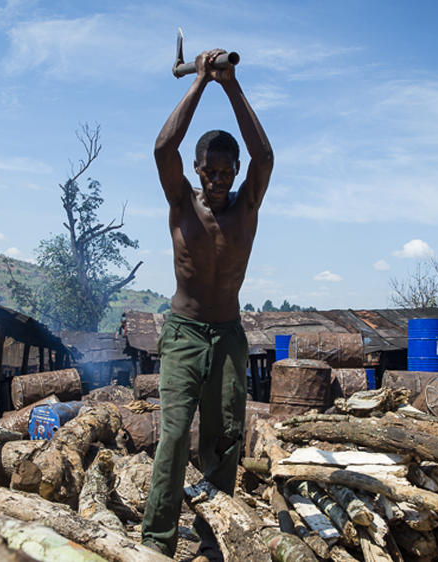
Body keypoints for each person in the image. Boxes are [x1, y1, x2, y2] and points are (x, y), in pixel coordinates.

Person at [141, 49, 273, 560]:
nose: (217, 181)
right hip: (185, 332)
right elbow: (161, 147)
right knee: (174, 436)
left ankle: (213, 535)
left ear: (235, 171)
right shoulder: (181, 202)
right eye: (209, 172)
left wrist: (231, 85)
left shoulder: (248, 203)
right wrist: (199, 82)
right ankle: (157, 541)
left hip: (229, 335)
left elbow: (266, 157)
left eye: (225, 172)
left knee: (224, 438)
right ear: (196, 170)